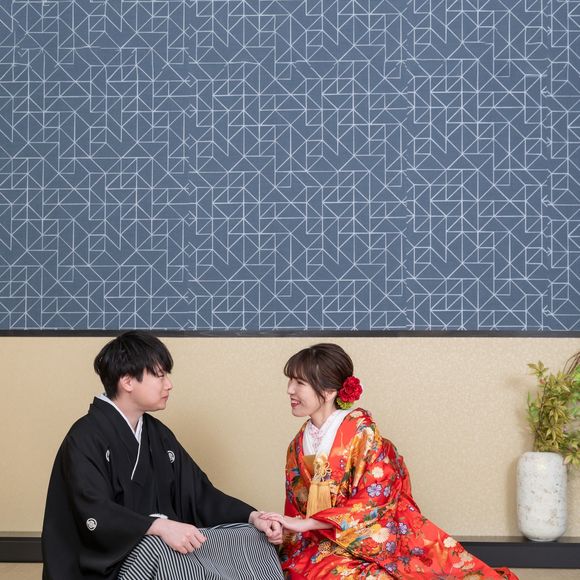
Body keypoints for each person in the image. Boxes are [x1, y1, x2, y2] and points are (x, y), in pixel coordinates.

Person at [260, 343, 518, 579]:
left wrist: (308, 523)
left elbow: (373, 501)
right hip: (317, 542)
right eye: (290, 381)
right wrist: (284, 530)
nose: (290, 389)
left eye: (299, 382)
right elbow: (295, 508)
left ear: (328, 391)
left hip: (365, 539)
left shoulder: (363, 433)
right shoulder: (297, 445)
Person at [42, 331, 283, 580]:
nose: (168, 384)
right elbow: (94, 512)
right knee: (159, 547)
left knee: (251, 536)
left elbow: (199, 495)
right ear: (127, 381)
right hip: (105, 566)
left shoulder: (157, 434)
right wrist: (158, 526)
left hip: (155, 544)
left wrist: (253, 517)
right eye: (160, 375)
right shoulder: (85, 437)